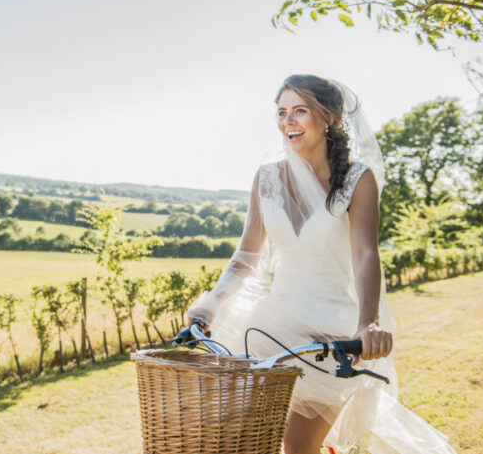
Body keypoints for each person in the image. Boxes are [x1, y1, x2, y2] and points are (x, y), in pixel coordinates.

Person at [186, 75, 457, 454]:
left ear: (328, 116)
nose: (288, 122)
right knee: (241, 439)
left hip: (331, 333)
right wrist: (212, 302)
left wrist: (368, 323)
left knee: (299, 448)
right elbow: (246, 254)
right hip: (270, 325)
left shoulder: (357, 180)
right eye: (281, 112)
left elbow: (365, 254)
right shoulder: (267, 179)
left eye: (300, 111)